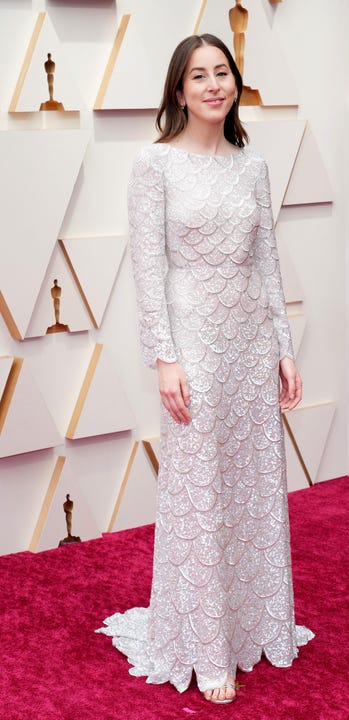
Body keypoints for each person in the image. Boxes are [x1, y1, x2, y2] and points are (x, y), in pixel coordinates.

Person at [97, 33, 313, 705]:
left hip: (250, 345)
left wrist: (283, 345)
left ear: (234, 83)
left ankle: (256, 622)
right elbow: (148, 272)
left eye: (223, 73)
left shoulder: (253, 165)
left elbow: (267, 264)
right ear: (179, 90)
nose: (214, 84)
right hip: (192, 346)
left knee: (250, 484)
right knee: (198, 491)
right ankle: (204, 646)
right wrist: (165, 358)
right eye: (199, 76)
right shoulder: (152, 164)